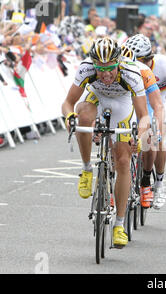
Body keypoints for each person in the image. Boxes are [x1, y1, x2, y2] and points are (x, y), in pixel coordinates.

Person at [61, 37, 149, 248]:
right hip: (97, 98)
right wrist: (68, 117)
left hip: (122, 104)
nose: (106, 74)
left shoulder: (132, 74)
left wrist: (139, 135)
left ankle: (119, 225)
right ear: (94, 65)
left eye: (110, 68)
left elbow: (143, 115)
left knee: (122, 161)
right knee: (83, 118)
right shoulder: (86, 68)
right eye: (100, 69)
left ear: (118, 62)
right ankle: (86, 169)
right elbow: (68, 103)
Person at [122, 33, 166, 209]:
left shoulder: (164, 64)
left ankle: (157, 183)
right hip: (135, 99)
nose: (134, 64)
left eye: (139, 61)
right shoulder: (127, 66)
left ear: (149, 59)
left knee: (156, 138)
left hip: (158, 101)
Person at [120, 38, 165, 209]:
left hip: (143, 107)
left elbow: (158, 105)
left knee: (150, 138)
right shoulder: (114, 72)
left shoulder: (145, 71)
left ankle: (146, 180)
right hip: (124, 109)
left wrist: (158, 128)